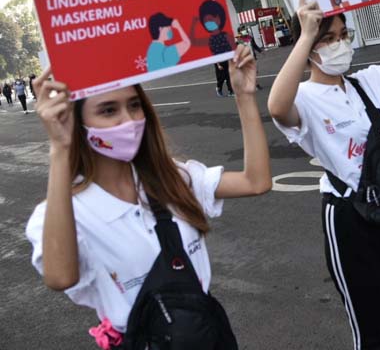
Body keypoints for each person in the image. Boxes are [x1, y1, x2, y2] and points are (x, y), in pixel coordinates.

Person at [25, 44, 272, 347]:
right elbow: (60, 277)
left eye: (134, 105)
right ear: (77, 122)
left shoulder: (173, 178)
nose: (128, 120)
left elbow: (256, 181)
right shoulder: (62, 213)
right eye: (108, 110)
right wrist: (60, 149)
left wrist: (244, 95)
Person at [268, 0, 380, 350]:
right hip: (351, 219)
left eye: (343, 35)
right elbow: (277, 107)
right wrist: (307, 34)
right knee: (372, 329)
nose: (338, 44)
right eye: (328, 38)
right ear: (309, 46)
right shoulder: (306, 98)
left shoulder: (373, 80)